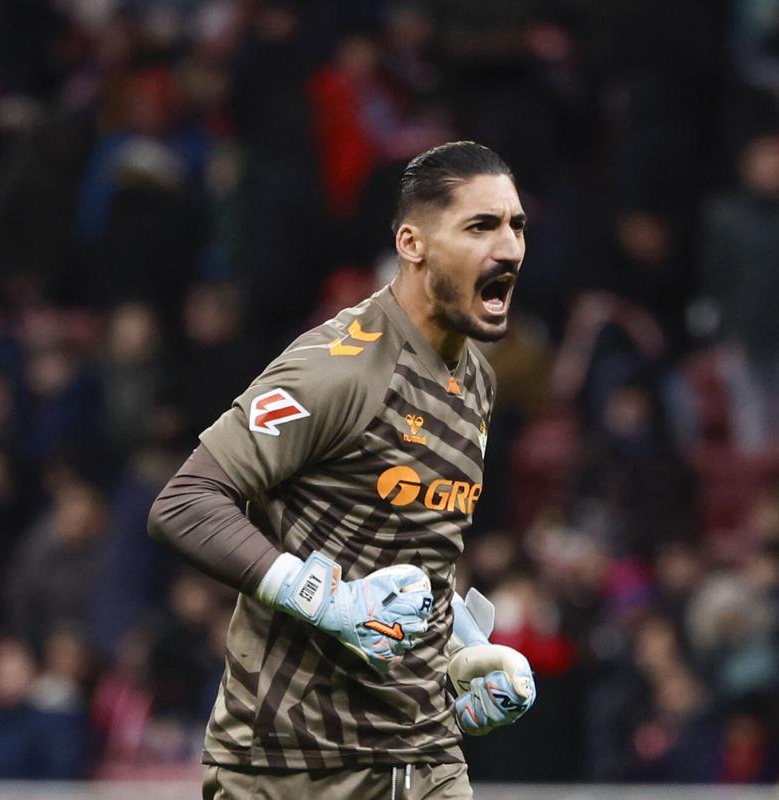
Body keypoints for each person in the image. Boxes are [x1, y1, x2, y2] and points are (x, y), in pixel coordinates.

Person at [148, 141, 537, 799]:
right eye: (481, 226)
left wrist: (461, 655)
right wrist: (319, 596)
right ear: (413, 244)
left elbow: (405, 553)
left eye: (515, 225)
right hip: (288, 767)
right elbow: (185, 502)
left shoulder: (474, 379)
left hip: (423, 758)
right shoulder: (338, 366)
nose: (509, 249)